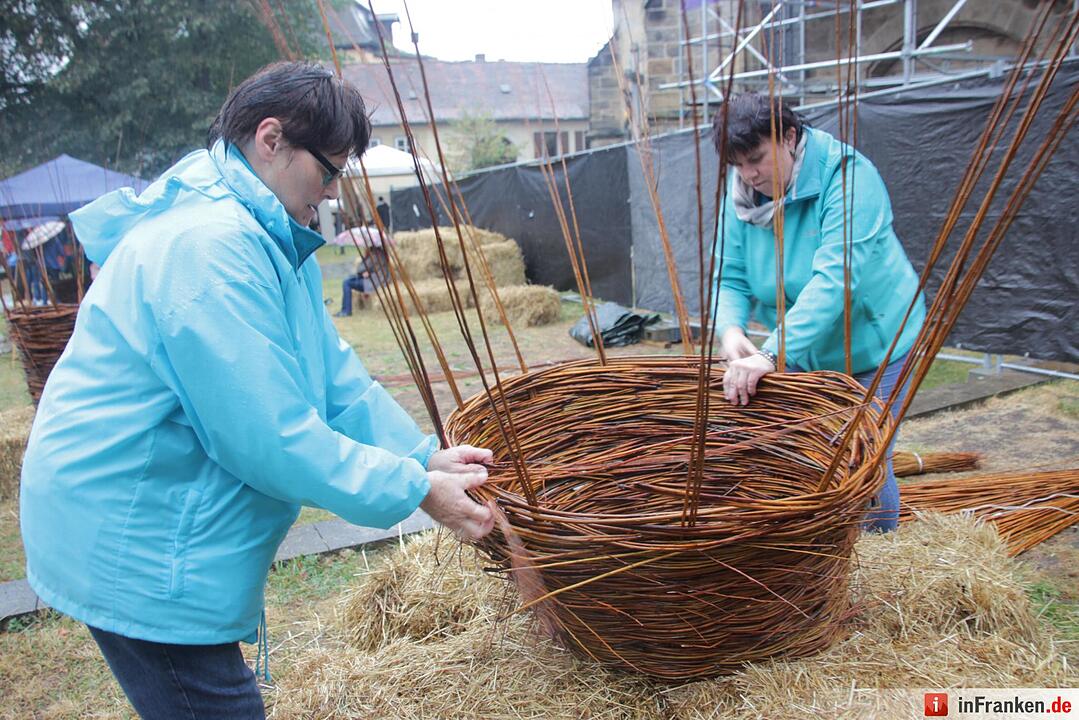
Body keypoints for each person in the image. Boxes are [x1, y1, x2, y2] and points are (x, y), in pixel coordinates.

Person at [19, 61, 494, 719]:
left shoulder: (263, 232)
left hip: (151, 513)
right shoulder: (208, 249)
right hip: (131, 533)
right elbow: (267, 435)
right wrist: (417, 492)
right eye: (327, 171)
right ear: (270, 139)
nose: (331, 194)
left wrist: (419, 455)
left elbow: (332, 376)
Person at [711, 93, 926, 533]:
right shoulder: (742, 199)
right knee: (802, 450)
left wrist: (771, 355)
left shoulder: (847, 178)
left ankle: (878, 550)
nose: (749, 175)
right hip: (802, 342)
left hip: (875, 342)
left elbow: (834, 280)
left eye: (756, 158)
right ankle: (818, 554)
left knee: (862, 454)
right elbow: (729, 277)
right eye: (738, 165)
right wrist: (731, 331)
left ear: (789, 136)